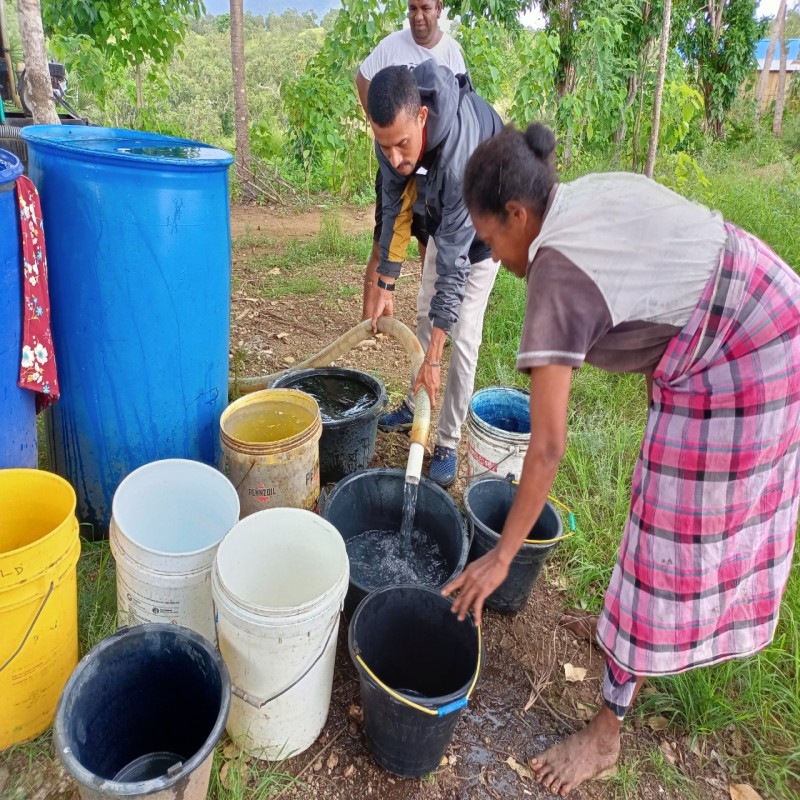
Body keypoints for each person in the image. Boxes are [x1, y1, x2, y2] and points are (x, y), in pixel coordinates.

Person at [444, 122, 800, 796]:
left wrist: (500, 557)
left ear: (518, 214)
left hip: (751, 351)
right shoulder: (577, 198)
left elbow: (547, 447)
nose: (495, 257)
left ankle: (607, 732)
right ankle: (628, 636)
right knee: (654, 504)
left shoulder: (554, 271)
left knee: (664, 534)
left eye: (491, 240)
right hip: (761, 305)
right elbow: (663, 284)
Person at [365, 62, 503, 486]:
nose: (395, 158)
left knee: (461, 339)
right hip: (448, 219)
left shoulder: (460, 155)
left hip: (487, 226)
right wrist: (385, 284)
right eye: (384, 146)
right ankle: (417, 402)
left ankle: (446, 439)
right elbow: (393, 209)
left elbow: (457, 267)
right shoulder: (393, 137)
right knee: (426, 311)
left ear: (422, 117)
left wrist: (435, 358)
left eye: (402, 145)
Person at [355, 0, 466, 322]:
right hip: (397, 164)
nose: (418, 16)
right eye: (412, 8)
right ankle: (368, 322)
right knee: (385, 236)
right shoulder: (391, 46)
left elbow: (462, 104)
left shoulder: (451, 52)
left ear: (439, 9)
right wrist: (385, 131)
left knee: (429, 246)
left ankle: (433, 322)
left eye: (425, 8)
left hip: (434, 170)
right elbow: (363, 79)